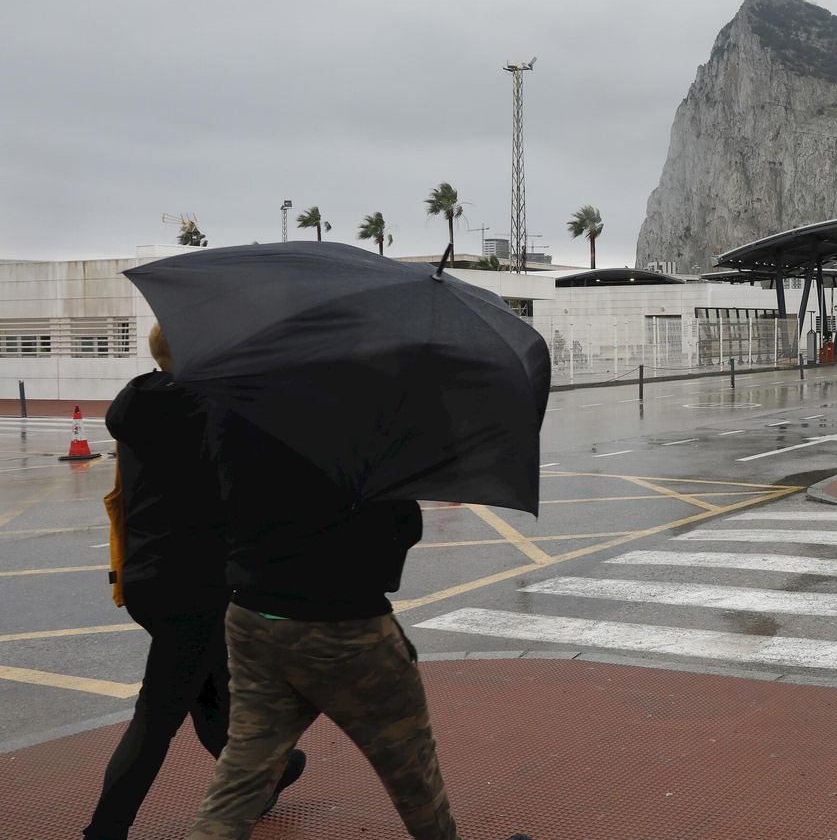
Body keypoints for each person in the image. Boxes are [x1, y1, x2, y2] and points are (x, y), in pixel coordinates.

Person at [184, 413, 531, 840]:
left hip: (254, 616)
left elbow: (210, 503)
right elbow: (401, 526)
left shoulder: (233, 409)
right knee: (409, 763)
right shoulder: (360, 419)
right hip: (346, 625)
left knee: (243, 771)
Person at [85, 325, 305, 840]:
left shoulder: (136, 402)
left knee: (207, 690)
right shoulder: (213, 411)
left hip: (143, 576)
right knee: (157, 714)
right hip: (197, 583)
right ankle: (104, 829)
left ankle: (275, 772)